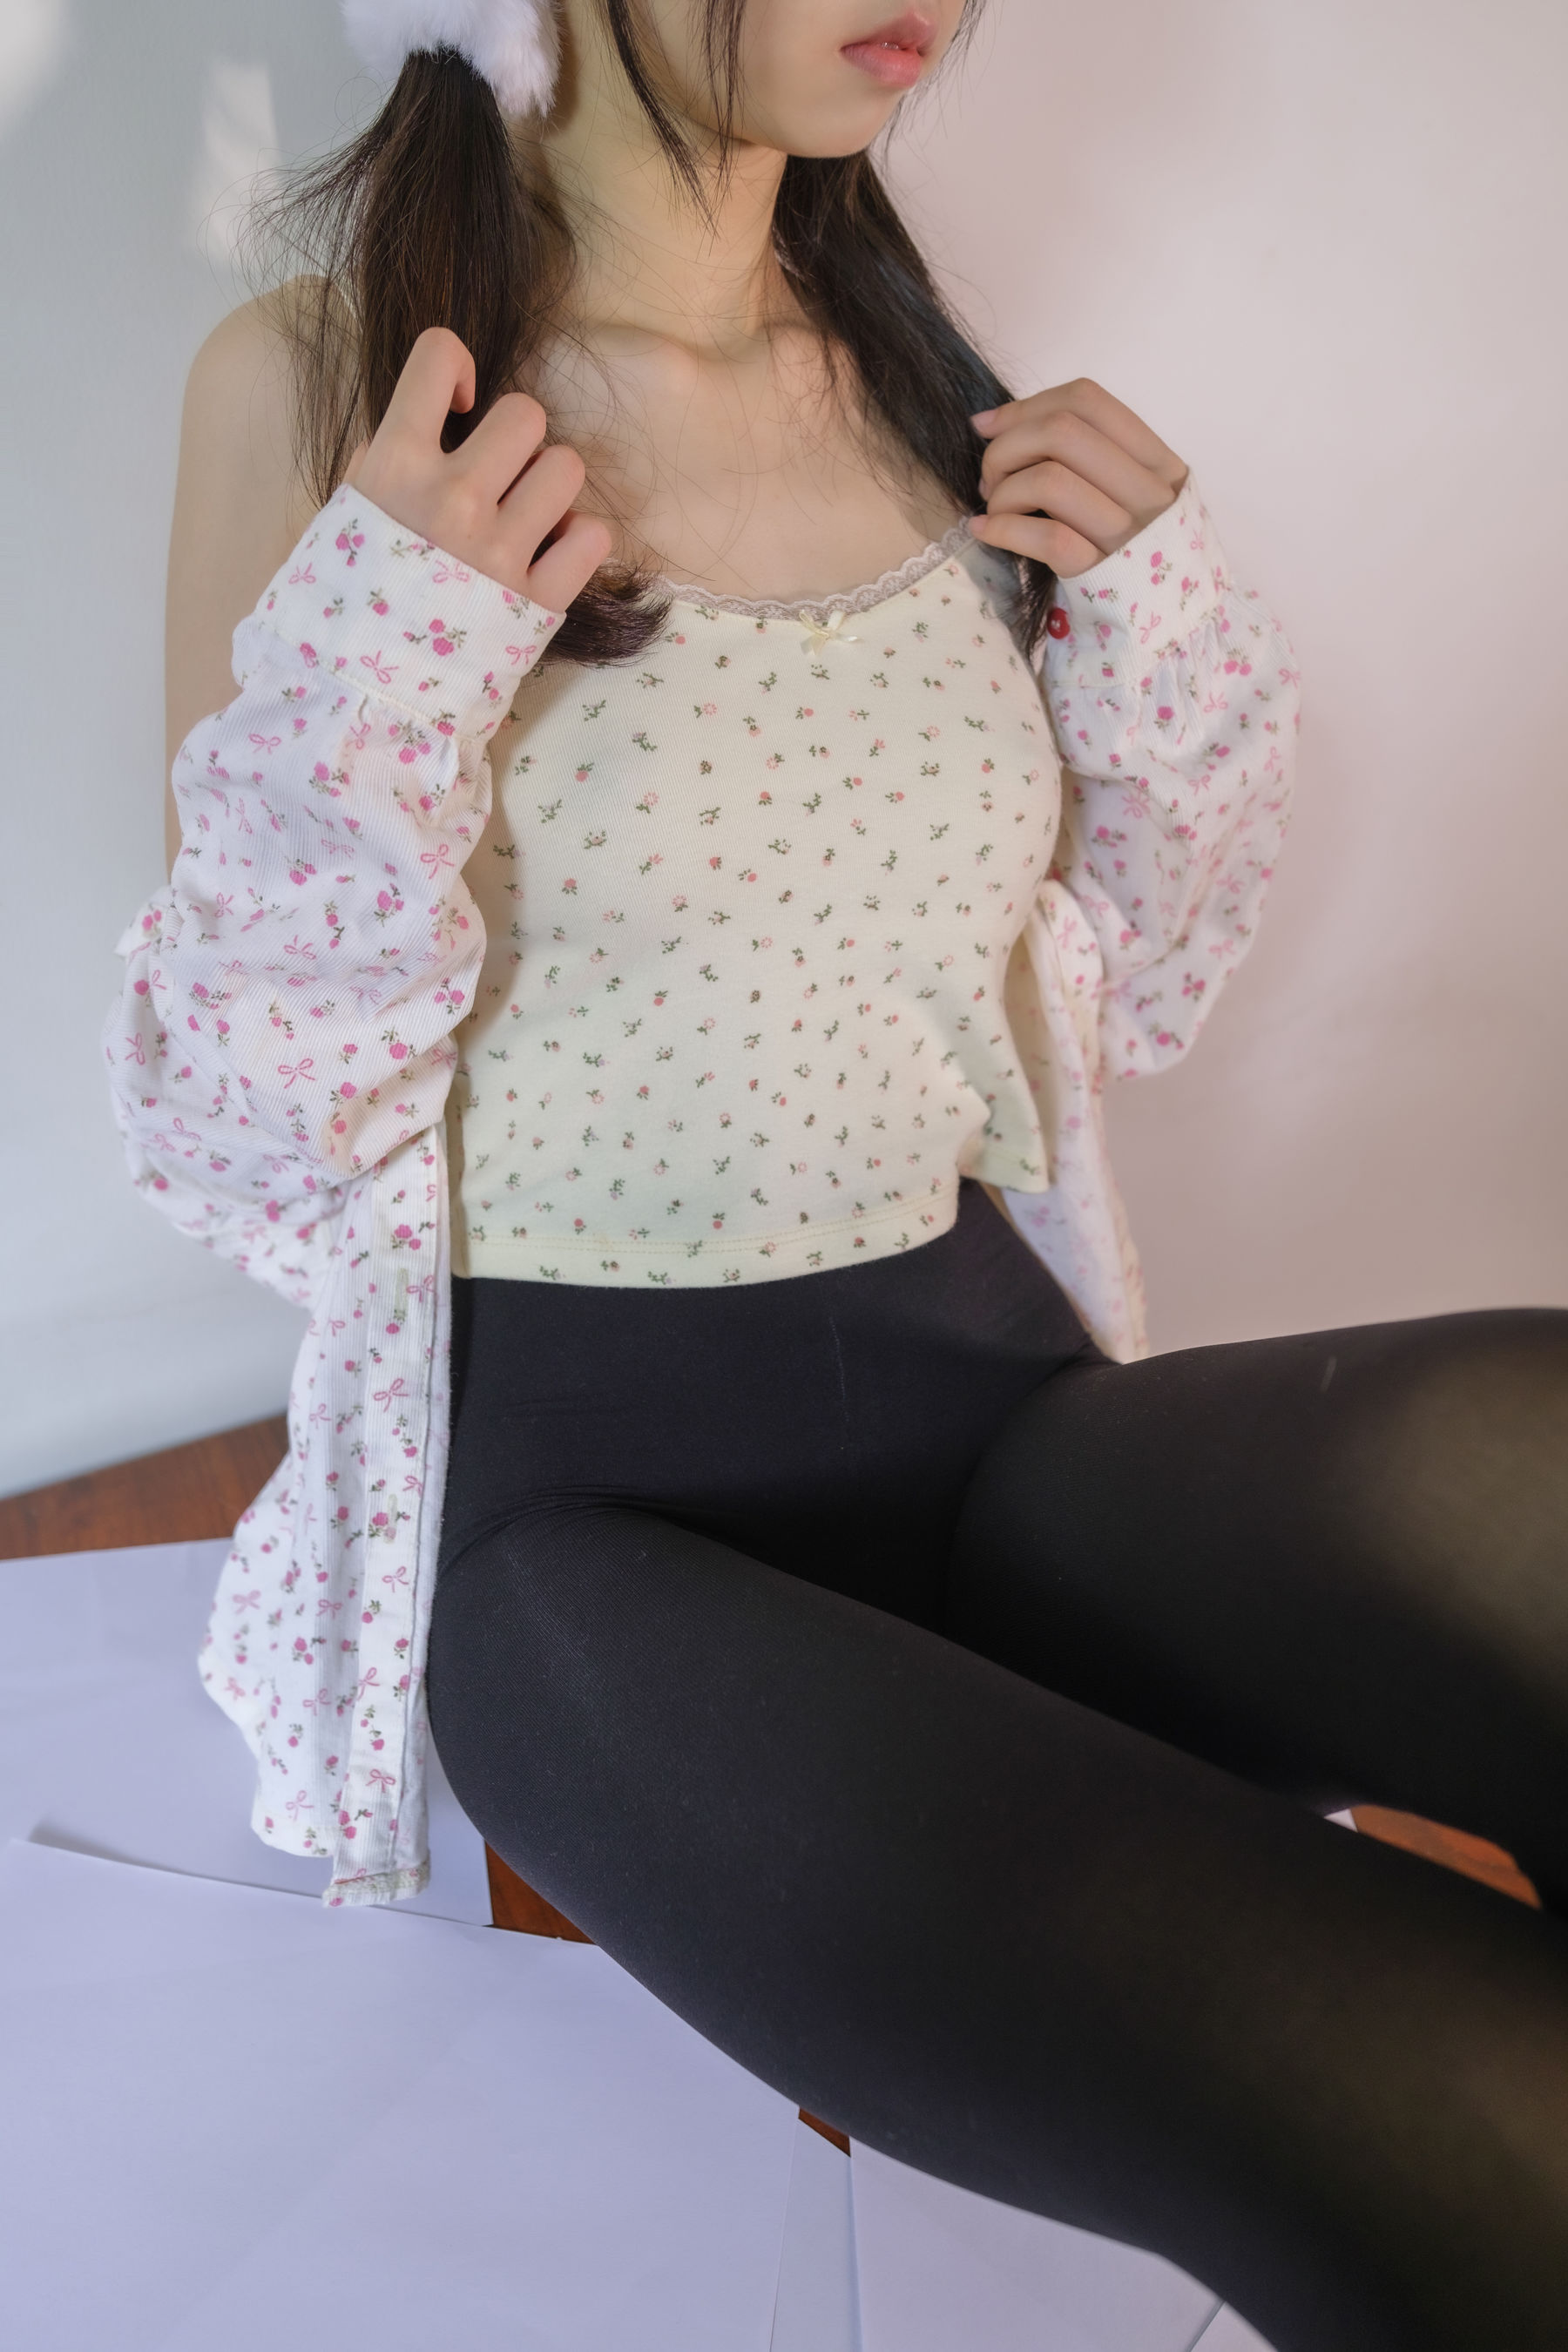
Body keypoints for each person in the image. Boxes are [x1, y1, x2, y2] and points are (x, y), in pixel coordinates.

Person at [105, 3, 1568, 2346]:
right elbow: (245, 1143)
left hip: (997, 1411)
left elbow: (1122, 986)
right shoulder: (319, 386)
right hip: (588, 1538)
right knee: (1460, 2097)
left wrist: (1159, 623)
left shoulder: (916, 387)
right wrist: (387, 659)